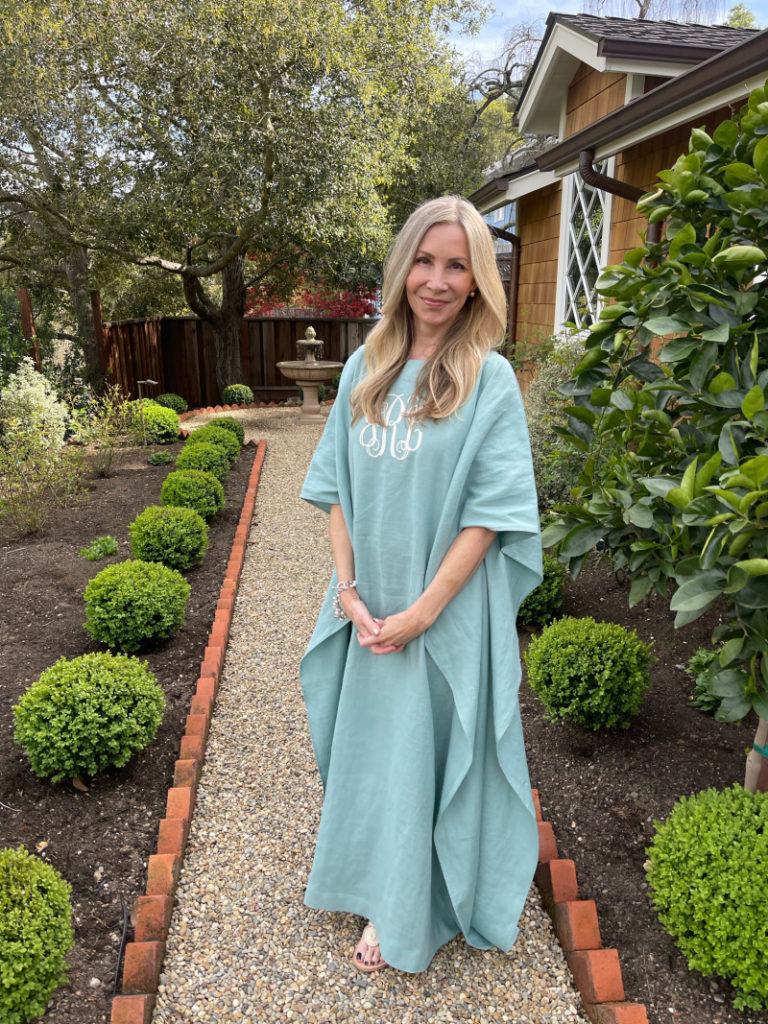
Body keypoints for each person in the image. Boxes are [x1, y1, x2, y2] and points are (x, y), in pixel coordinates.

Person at [299, 195, 542, 974]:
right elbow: (334, 487)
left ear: (477, 283)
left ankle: (411, 905)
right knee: (374, 751)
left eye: (457, 266)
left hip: (443, 612)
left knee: (431, 752)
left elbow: (491, 514)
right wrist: (348, 593)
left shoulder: (490, 380)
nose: (436, 281)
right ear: (404, 268)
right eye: (425, 262)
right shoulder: (361, 369)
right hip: (368, 602)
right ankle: (376, 882)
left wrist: (422, 614)